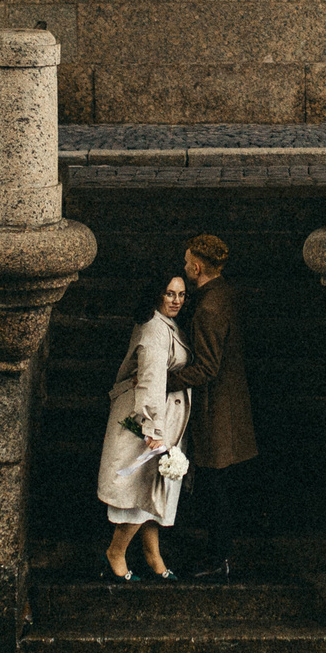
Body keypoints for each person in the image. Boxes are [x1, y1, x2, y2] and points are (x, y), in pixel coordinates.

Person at [166, 231, 255, 581]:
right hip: (230, 404)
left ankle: (219, 560)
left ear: (198, 267)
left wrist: (165, 381)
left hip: (217, 411)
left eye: (188, 262)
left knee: (214, 487)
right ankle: (219, 556)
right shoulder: (223, 293)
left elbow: (206, 367)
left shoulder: (207, 307)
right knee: (217, 487)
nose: (185, 266)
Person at [97, 271, 189, 580]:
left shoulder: (165, 324)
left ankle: (153, 557)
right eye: (169, 293)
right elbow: (150, 379)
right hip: (144, 421)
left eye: (181, 294)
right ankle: (116, 552)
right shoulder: (154, 327)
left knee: (152, 490)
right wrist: (153, 430)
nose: (175, 300)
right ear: (157, 294)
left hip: (160, 417)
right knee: (141, 491)